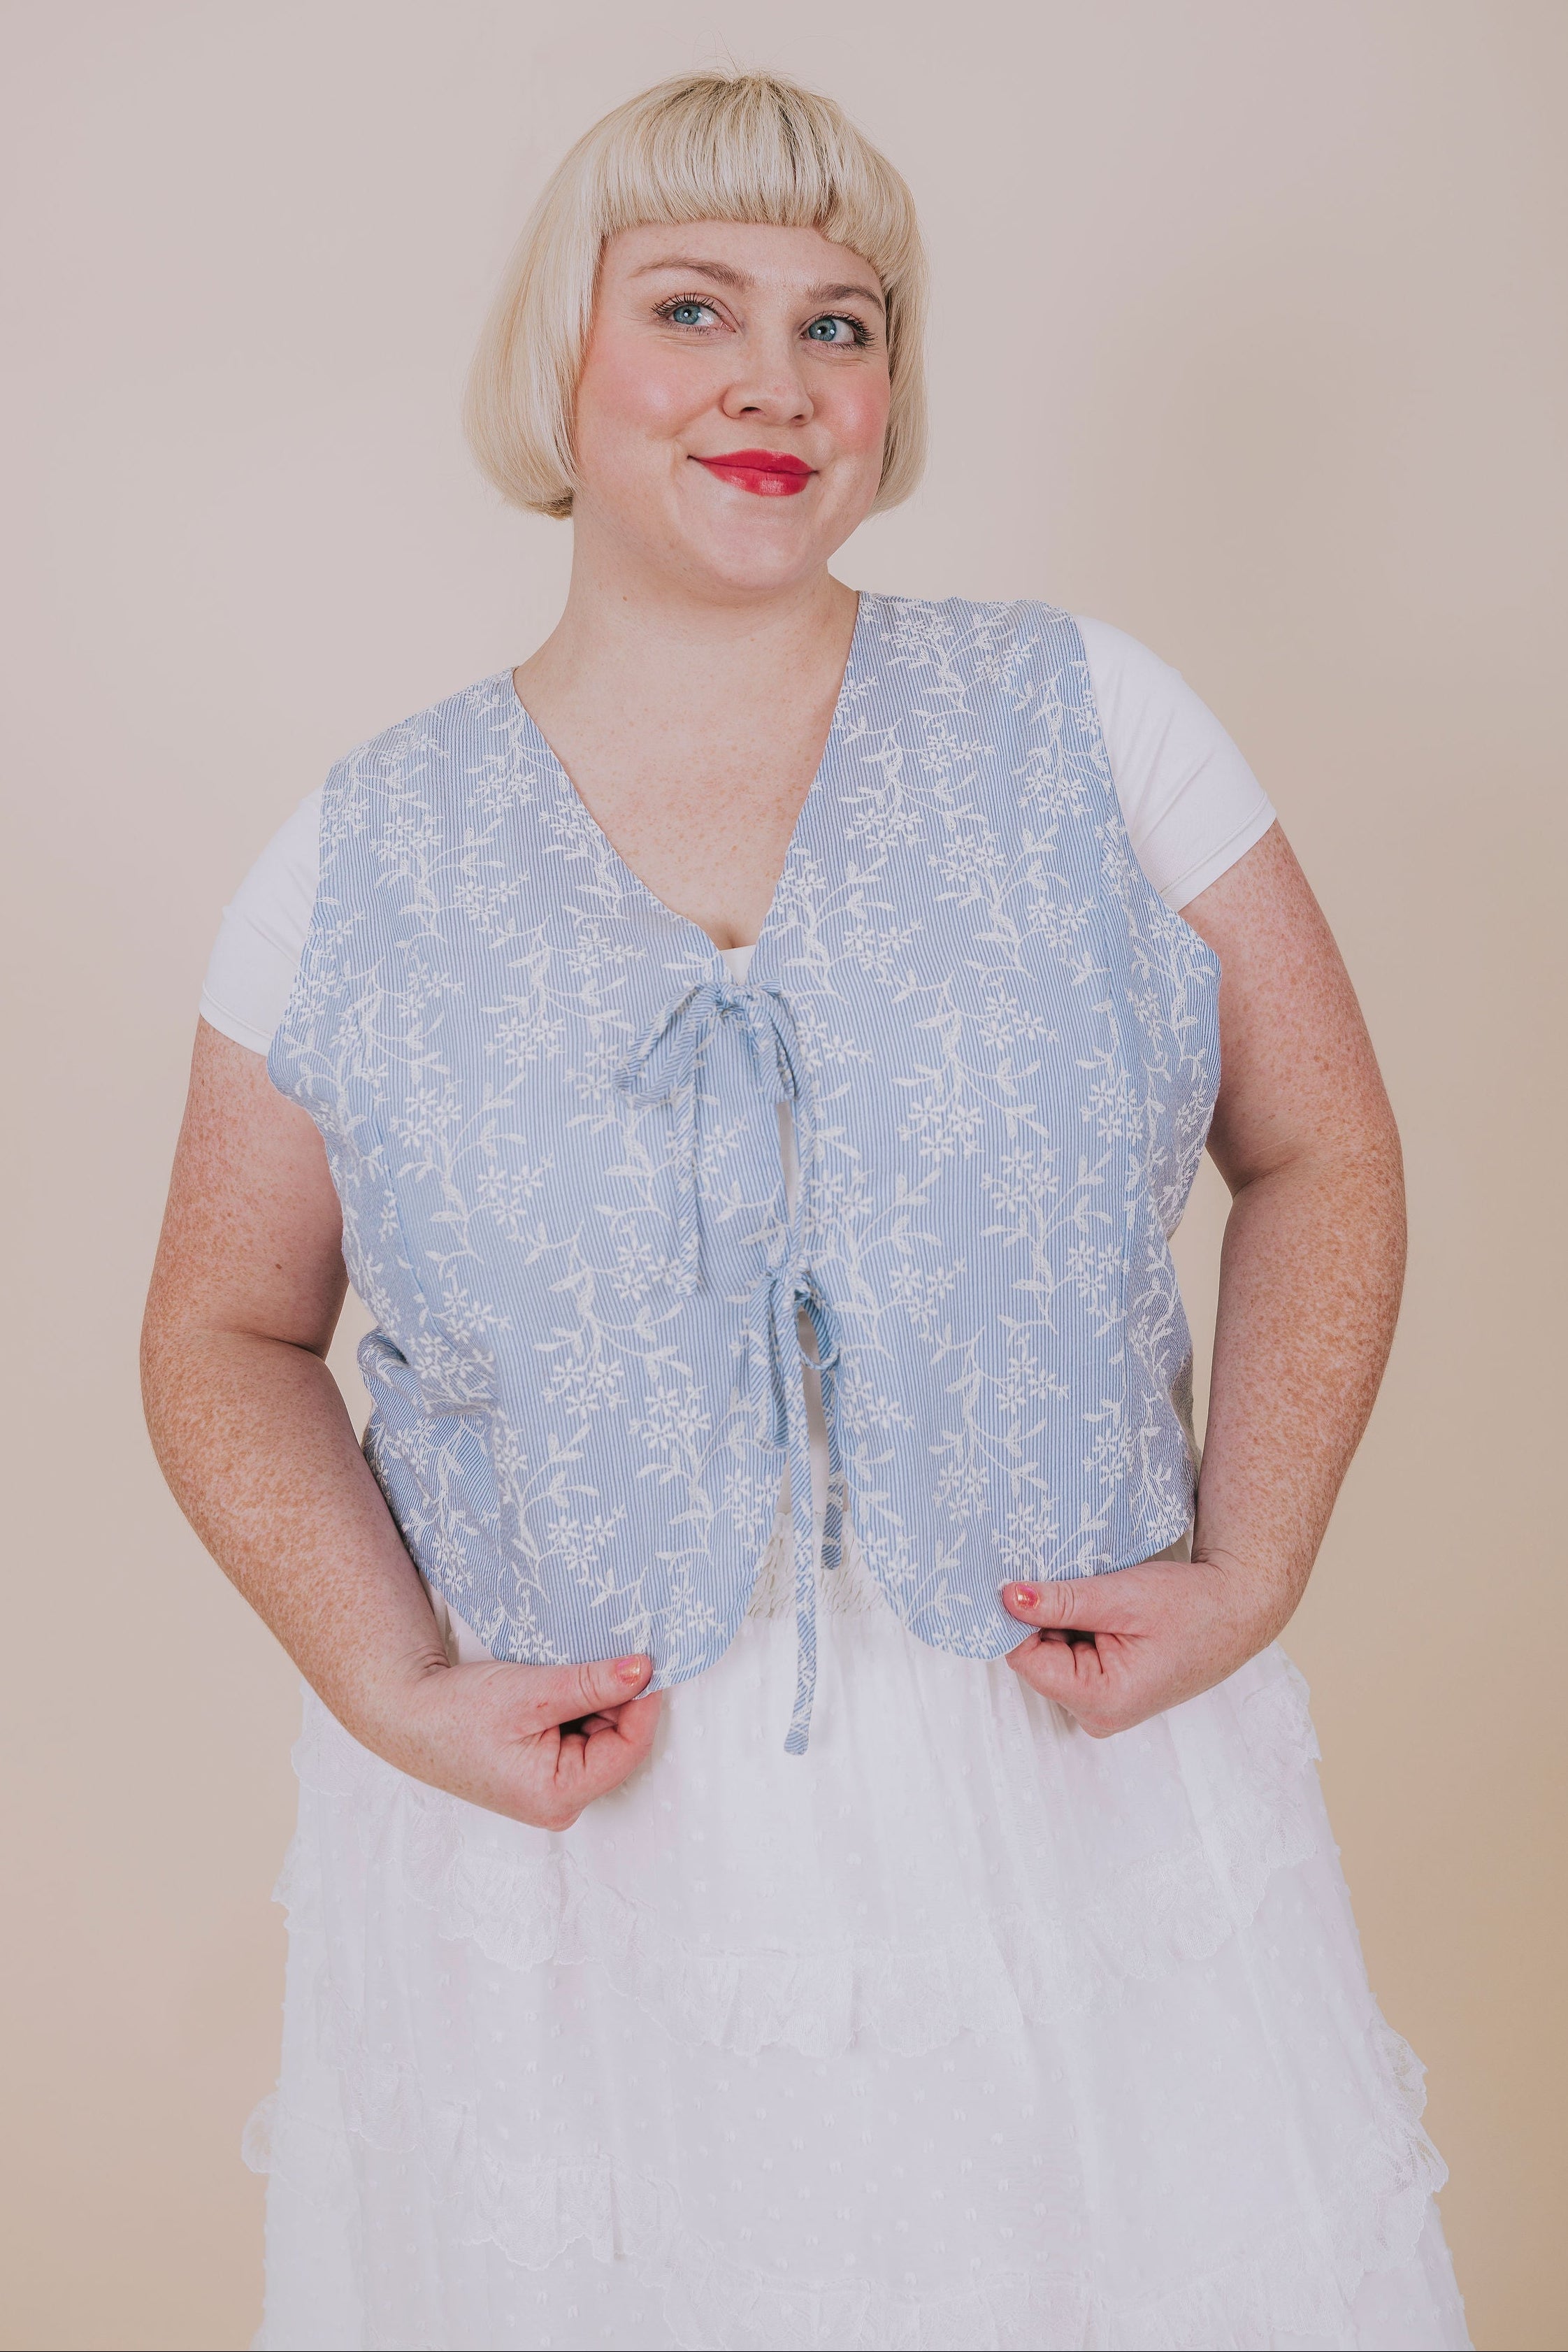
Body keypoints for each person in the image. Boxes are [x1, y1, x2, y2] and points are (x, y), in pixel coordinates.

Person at [141, 69, 1470, 2352]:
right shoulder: (357, 858)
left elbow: (1323, 1145)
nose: (777, 379)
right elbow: (218, 1334)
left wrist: (1249, 1561)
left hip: (1065, 1801)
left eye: (839, 324)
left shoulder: (1093, 723)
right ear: (558, 355)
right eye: (692, 304)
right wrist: (391, 1683)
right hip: (574, 1859)